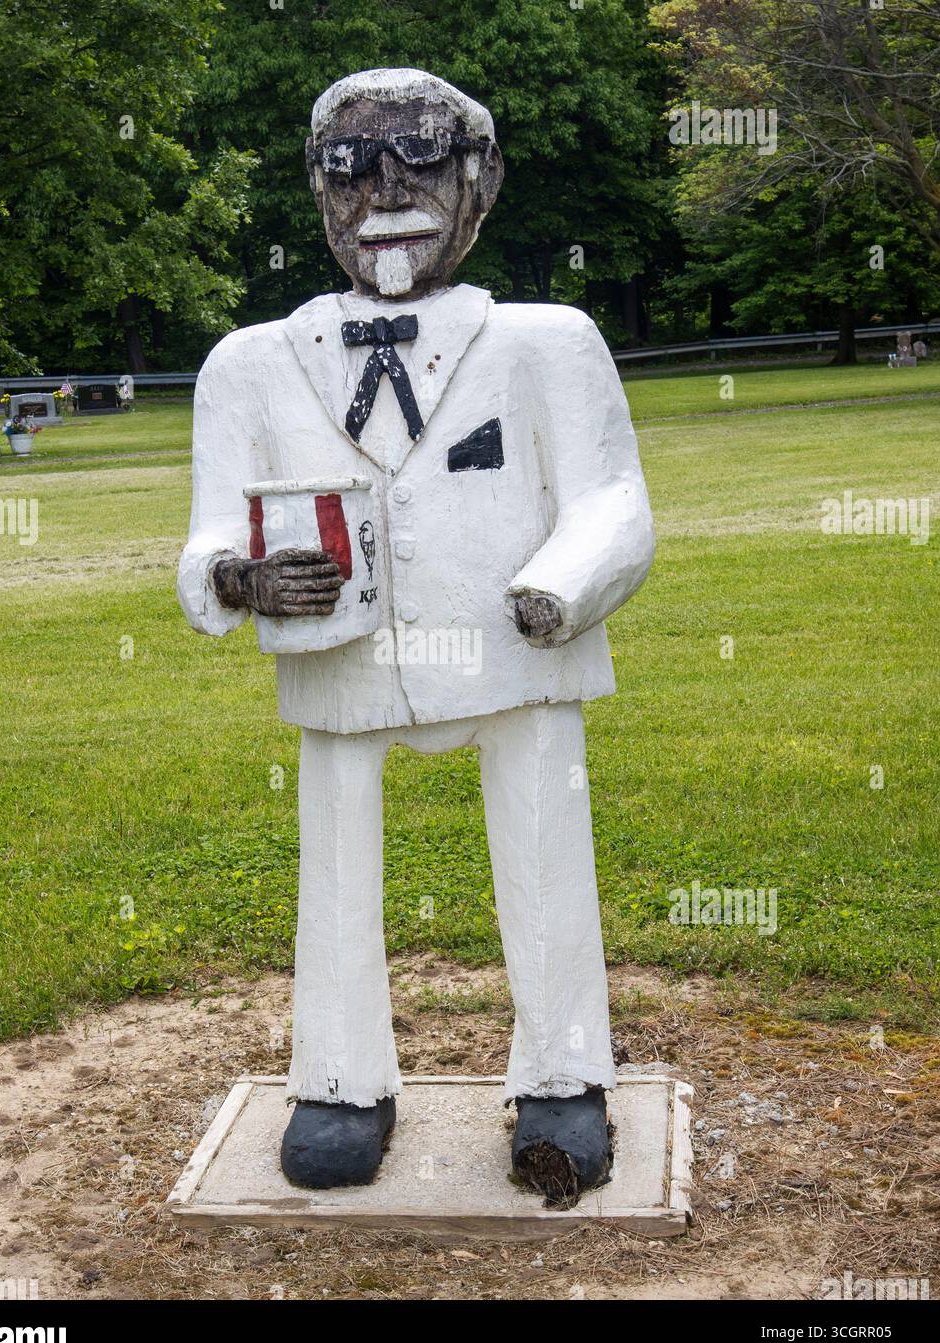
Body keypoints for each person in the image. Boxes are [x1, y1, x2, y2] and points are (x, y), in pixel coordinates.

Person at [178, 68, 655, 1205]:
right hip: (339, 658)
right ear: (317, 190)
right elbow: (205, 535)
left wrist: (559, 585)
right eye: (351, 163)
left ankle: (561, 1074)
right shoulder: (248, 365)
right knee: (333, 867)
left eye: (422, 158)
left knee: (545, 846)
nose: (386, 187)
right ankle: (339, 1078)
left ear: (480, 181)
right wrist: (240, 577)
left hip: (513, 651)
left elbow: (615, 502)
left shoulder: (549, 342)